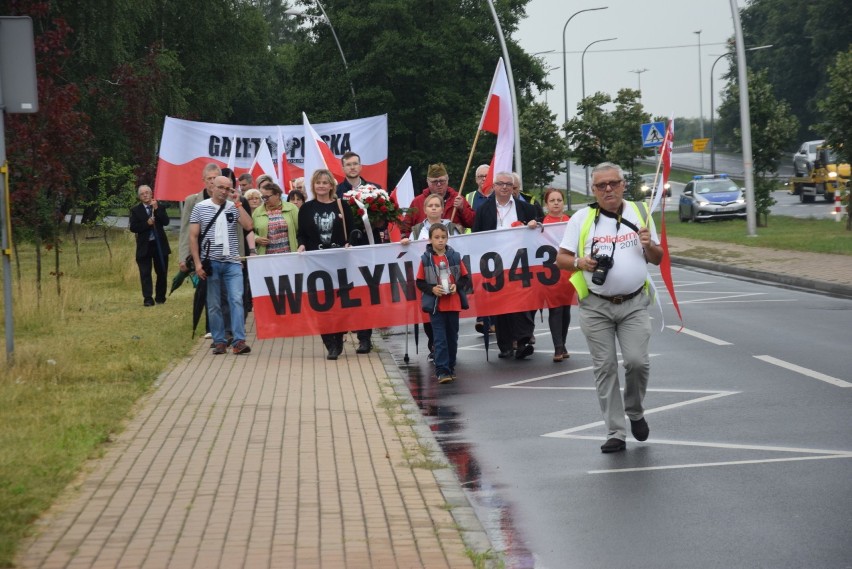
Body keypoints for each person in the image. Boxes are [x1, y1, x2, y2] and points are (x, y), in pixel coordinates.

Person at [556, 161, 663, 454]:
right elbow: (561, 258)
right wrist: (581, 262)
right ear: (593, 189)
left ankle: (635, 410)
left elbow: (657, 258)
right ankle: (615, 431)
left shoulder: (640, 213)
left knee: (637, 362)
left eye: (613, 183)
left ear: (623, 184)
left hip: (633, 304)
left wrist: (648, 244)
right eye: (601, 185)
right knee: (604, 368)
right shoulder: (582, 218)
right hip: (595, 306)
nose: (608, 189)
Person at [472, 171, 541, 360]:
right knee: (501, 305)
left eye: (508, 184)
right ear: (493, 186)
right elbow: (476, 237)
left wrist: (535, 224)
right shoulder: (484, 209)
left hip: (520, 263)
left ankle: (523, 342)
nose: (504, 187)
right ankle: (505, 346)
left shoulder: (525, 208)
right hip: (495, 264)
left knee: (523, 303)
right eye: (500, 184)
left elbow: (538, 231)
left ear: (513, 187)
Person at [189, 175, 254, 355]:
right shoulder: (200, 207)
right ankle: (219, 341)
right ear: (212, 187)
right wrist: (197, 263)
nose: (224, 191)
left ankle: (239, 340)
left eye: (228, 188)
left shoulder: (234, 207)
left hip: (232, 261)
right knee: (214, 303)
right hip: (211, 262)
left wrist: (238, 203)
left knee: (236, 300)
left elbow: (249, 225)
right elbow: (193, 236)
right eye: (221, 187)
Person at [297, 169, 355, 360]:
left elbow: (353, 230)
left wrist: (349, 242)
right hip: (316, 262)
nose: (321, 185)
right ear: (313, 185)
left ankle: (338, 338)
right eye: (318, 182)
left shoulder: (342, 206)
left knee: (339, 303)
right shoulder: (306, 208)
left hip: (339, 261)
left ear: (331, 185)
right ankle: (329, 343)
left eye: (325, 182)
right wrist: (302, 245)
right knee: (321, 303)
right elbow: (302, 234)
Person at [401, 193, 463, 361]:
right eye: (430, 205)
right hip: (427, 279)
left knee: (448, 319)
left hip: (448, 277)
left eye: (437, 205)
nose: (434, 208)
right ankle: (435, 346)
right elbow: (410, 251)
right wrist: (406, 242)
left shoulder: (451, 227)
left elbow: (460, 248)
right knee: (430, 313)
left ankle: (445, 351)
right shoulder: (417, 230)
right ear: (425, 209)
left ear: (443, 209)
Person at [416, 224, 470, 384]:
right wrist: (433, 289)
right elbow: (420, 282)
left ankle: (450, 367)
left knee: (452, 337)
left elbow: (465, 278)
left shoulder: (454, 256)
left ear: (447, 238)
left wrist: (456, 286)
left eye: (443, 237)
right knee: (439, 339)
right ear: (430, 239)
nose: (440, 241)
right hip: (436, 307)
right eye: (437, 238)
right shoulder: (426, 259)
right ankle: (442, 370)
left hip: (453, 305)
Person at [541, 188, 571, 362]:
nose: (556, 203)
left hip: (567, 272)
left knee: (565, 309)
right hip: (550, 273)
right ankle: (558, 347)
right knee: (555, 308)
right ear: (547, 204)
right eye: (552, 200)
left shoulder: (570, 221)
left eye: (559, 200)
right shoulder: (541, 223)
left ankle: (563, 343)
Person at [129, 184, 170, 306]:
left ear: (151, 193)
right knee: (145, 273)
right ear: (139, 197)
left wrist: (157, 209)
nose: (145, 195)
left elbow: (166, 222)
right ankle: (148, 298)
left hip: (159, 245)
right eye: (142, 194)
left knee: (162, 271)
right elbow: (133, 227)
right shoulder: (135, 210)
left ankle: (160, 297)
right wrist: (147, 223)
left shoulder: (159, 206)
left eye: (147, 192)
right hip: (145, 246)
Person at [403, 163, 475, 233]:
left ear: (447, 179)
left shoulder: (458, 199)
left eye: (442, 181)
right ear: (427, 181)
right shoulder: (417, 202)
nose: (439, 184)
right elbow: (405, 229)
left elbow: (472, 223)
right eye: (434, 182)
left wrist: (462, 208)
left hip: (453, 243)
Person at [253, 182, 299, 254]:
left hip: (289, 255)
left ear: (277, 195)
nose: (265, 200)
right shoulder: (257, 212)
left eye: (267, 197)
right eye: (263, 197)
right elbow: (250, 232)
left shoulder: (292, 208)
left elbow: (300, 231)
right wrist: (256, 238)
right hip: (266, 257)